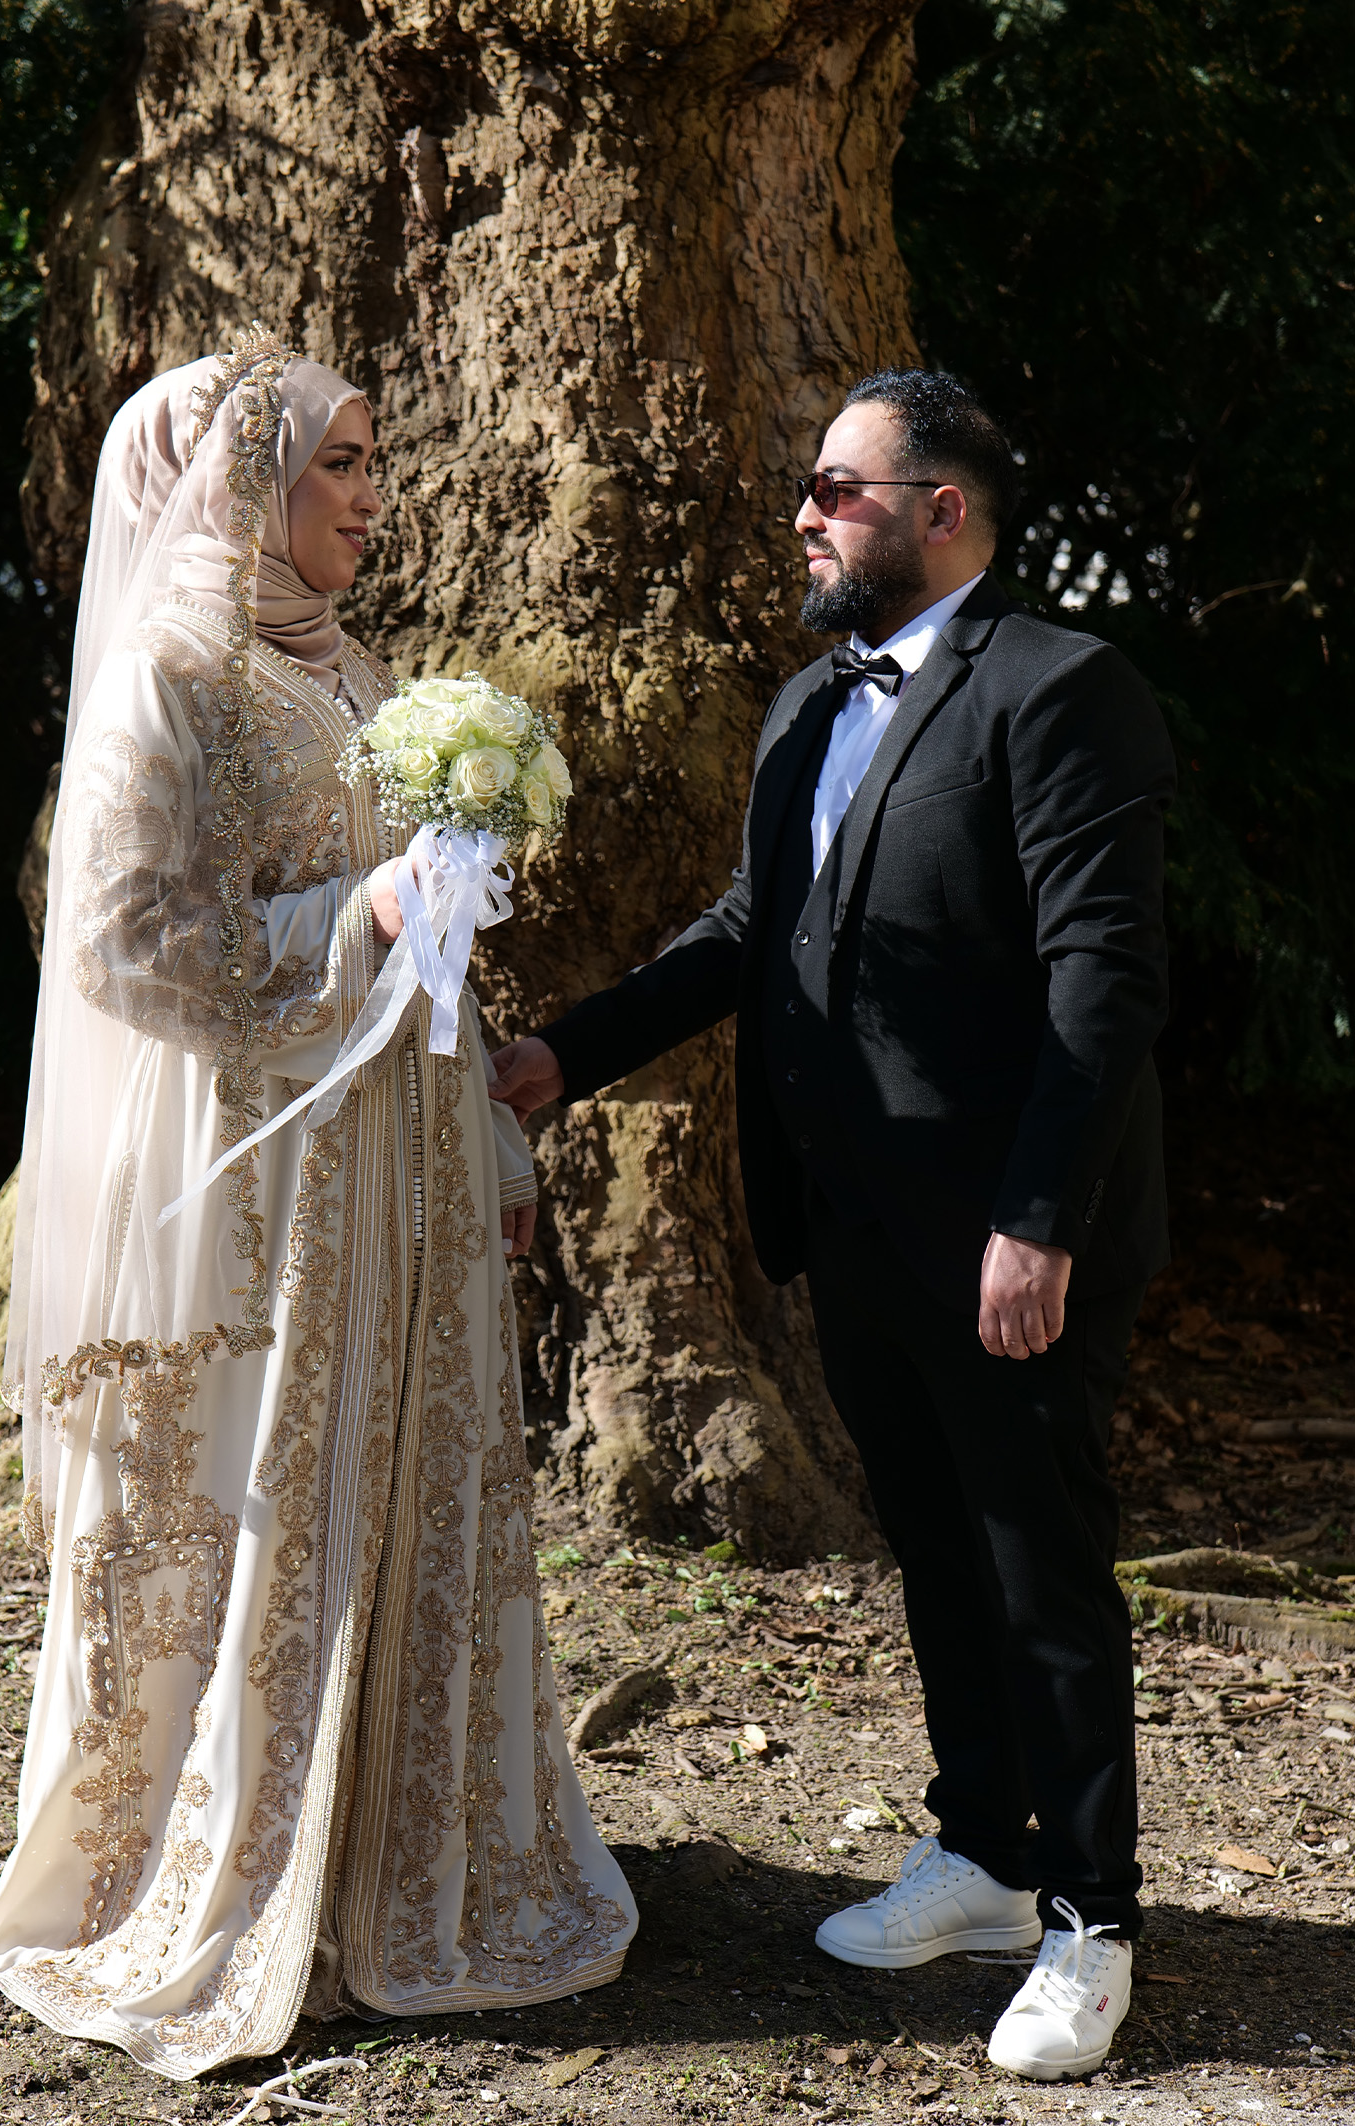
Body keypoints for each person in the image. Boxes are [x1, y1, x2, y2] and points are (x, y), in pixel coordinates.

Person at [0, 325, 635, 2079]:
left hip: (401, 1157)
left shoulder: (353, 665)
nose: (370, 497)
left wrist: (486, 1120)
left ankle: (397, 1843)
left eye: (373, 463)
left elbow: (412, 934)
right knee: (259, 1494)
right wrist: (348, 918)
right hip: (262, 1181)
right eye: (339, 464)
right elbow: (120, 940)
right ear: (245, 481)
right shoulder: (167, 673)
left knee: (398, 1473)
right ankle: (222, 1850)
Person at [489, 370, 1175, 2083]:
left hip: (1012, 1237)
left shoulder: (1061, 687)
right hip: (852, 1226)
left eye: (835, 489)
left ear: (943, 509)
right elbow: (751, 928)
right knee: (934, 1547)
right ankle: (985, 1852)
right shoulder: (808, 703)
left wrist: (1039, 1221)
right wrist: (563, 1054)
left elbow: (1102, 982)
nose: (804, 514)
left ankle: (1094, 1919)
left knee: (1039, 1568)